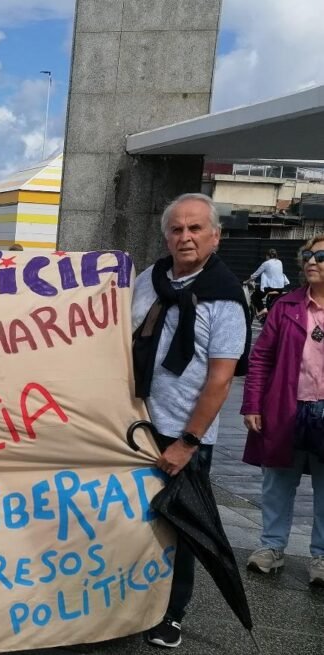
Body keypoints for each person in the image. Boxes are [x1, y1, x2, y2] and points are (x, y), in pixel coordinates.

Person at [131, 192, 250, 649]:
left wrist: (188, 441)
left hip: (184, 433)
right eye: (177, 229)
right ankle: (127, 602)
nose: (185, 237)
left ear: (215, 236)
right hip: (137, 424)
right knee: (134, 520)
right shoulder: (150, 279)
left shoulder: (225, 297)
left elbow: (220, 380)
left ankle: (173, 613)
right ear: (166, 236)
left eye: (195, 228)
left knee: (182, 526)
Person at [241, 237, 324, 587]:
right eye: (307, 255)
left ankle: (321, 556)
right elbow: (261, 358)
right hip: (286, 406)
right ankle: (272, 547)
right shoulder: (286, 305)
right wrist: (252, 404)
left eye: (320, 256)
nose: (311, 261)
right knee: (277, 480)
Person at [245, 249, 286, 316]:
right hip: (280, 288)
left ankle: (262, 310)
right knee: (271, 304)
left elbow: (255, 274)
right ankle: (267, 316)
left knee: (255, 296)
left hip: (270, 288)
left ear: (267, 256)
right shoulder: (279, 262)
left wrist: (247, 281)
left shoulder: (266, 263)